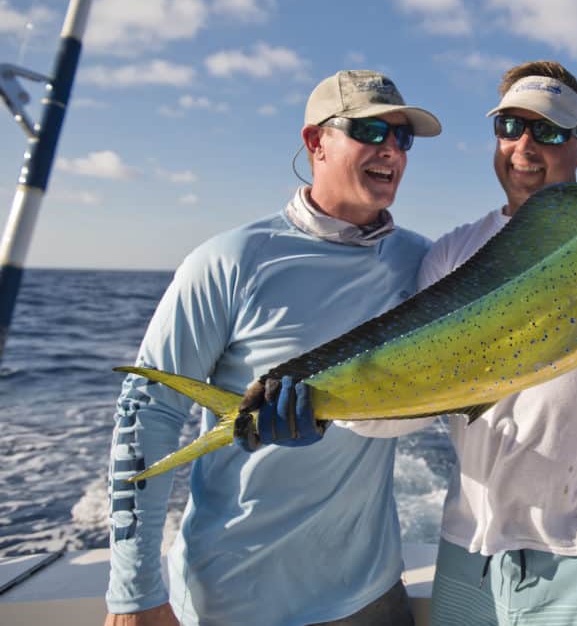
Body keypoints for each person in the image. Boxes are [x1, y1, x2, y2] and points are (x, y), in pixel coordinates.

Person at [275, 60, 577, 625]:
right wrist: (323, 412)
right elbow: (418, 394)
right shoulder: (452, 255)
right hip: (471, 551)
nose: (525, 145)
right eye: (510, 127)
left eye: (551, 131)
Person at [104, 69, 441, 626]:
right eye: (369, 130)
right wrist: (133, 592)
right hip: (234, 600)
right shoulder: (230, 260)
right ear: (316, 142)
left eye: (401, 137)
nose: (390, 150)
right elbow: (147, 415)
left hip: (372, 596)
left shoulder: (422, 264)